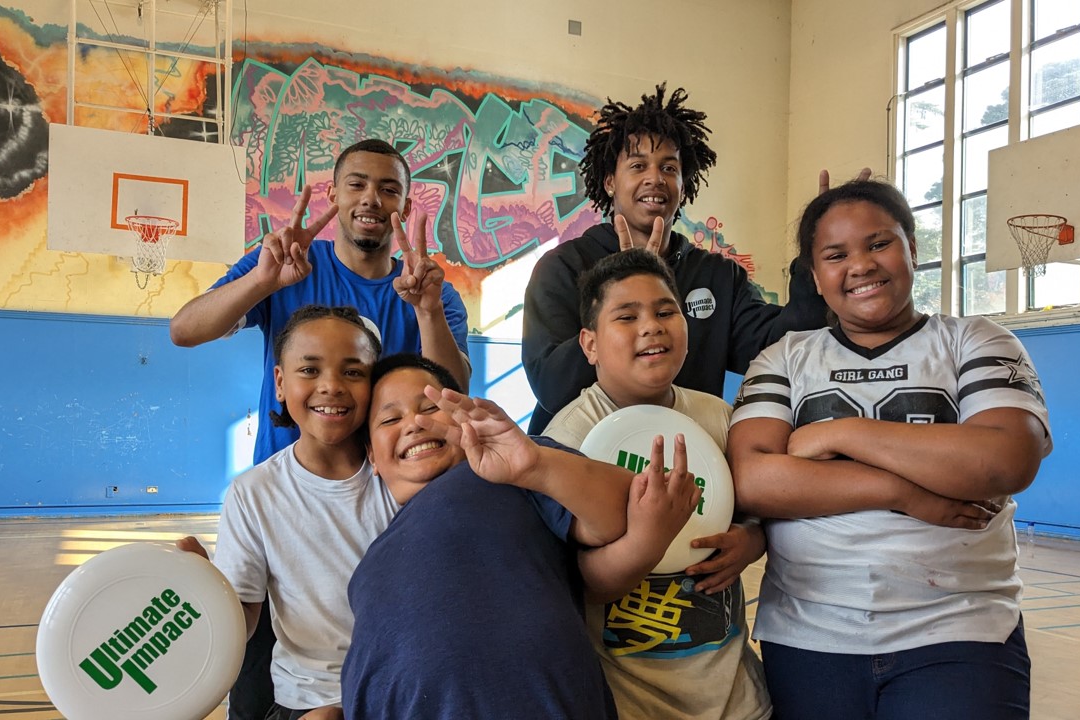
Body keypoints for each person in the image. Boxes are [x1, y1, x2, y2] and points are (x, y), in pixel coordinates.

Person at [728, 179, 1052, 719]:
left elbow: (1004, 459)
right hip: (810, 634)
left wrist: (838, 433)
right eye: (836, 255)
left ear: (912, 249)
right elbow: (754, 479)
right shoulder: (783, 358)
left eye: (879, 244)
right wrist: (905, 492)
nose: (861, 265)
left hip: (961, 628)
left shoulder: (977, 339)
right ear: (815, 275)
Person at [169, 138, 469, 719]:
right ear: (333, 193)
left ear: (404, 207)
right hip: (287, 521)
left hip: (380, 506)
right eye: (356, 183)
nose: (371, 199)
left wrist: (427, 309)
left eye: (389, 188)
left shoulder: (429, 288)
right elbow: (184, 329)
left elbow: (454, 393)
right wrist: (263, 282)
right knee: (260, 681)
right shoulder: (285, 265)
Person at [339, 354, 699, 719]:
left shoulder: (511, 471)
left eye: (431, 407)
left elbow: (624, 510)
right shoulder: (370, 561)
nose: (415, 423)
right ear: (372, 456)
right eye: (389, 418)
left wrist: (534, 466)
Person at [543, 248, 771, 719]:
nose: (652, 326)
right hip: (632, 705)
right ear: (589, 344)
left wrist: (750, 540)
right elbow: (575, 582)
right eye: (627, 316)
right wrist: (647, 538)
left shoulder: (719, 416)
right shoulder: (565, 440)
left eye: (666, 311)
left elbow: (763, 511)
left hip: (736, 700)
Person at [522, 83, 828, 434]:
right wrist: (629, 282)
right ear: (610, 182)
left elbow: (776, 349)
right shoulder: (562, 267)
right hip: (584, 457)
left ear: (684, 184)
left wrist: (818, 259)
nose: (655, 178)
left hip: (686, 459)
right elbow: (552, 386)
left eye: (669, 168)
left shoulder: (718, 275)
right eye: (638, 166)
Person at [181, 305, 390, 720]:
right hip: (310, 699)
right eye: (309, 370)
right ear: (279, 382)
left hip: (399, 689)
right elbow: (243, 619)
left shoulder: (399, 478)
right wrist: (205, 597)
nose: (331, 386)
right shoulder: (254, 493)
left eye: (353, 372)